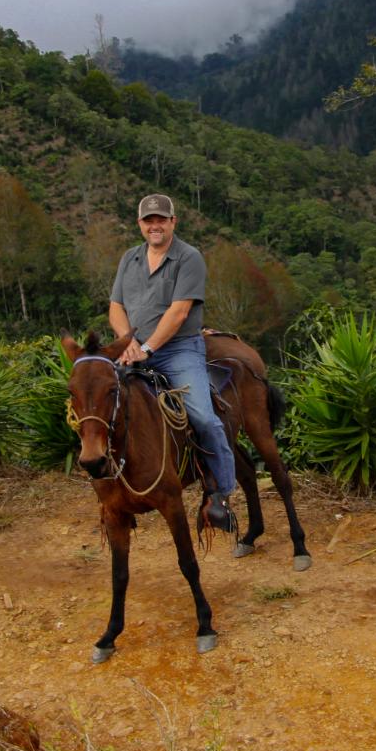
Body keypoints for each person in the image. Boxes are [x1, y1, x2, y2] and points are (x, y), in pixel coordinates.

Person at [108, 193, 235, 530]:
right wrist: (129, 342)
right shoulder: (129, 259)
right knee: (101, 403)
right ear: (140, 224)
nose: (155, 225)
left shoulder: (188, 257)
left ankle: (221, 493)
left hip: (179, 349)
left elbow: (179, 313)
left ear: (173, 222)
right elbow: (116, 308)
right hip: (134, 348)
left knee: (205, 418)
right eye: (149, 220)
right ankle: (115, 493)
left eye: (161, 219)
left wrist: (146, 349)